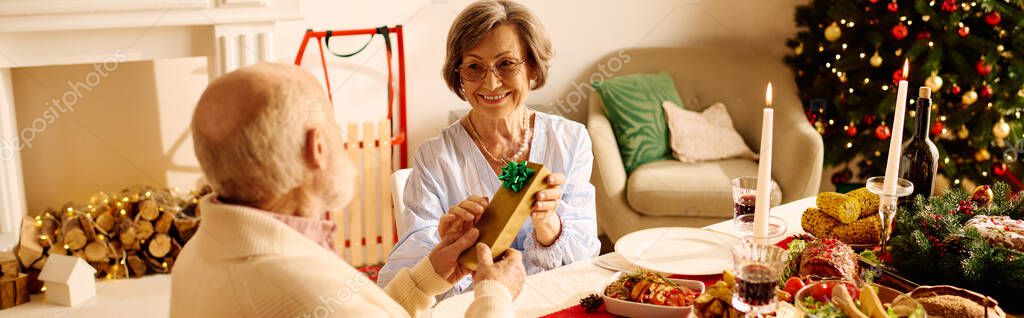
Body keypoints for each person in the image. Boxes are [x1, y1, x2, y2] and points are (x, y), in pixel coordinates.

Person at [171, 62, 524, 317]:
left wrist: (427, 277)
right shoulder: (303, 293)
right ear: (317, 148)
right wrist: (494, 295)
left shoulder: (197, 253)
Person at [379, 0, 600, 297]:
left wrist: (548, 224)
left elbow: (584, 265)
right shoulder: (434, 159)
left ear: (533, 68)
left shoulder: (570, 141)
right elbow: (402, 279)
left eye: (506, 64)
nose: (492, 83)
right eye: (474, 67)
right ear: (459, 75)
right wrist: (450, 246)